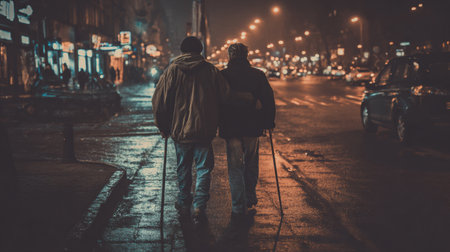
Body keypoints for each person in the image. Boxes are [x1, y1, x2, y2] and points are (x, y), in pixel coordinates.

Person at [152, 36, 230, 226]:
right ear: (200, 50)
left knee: (183, 166)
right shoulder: (211, 71)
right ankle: (199, 206)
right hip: (204, 129)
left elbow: (159, 102)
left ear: (182, 50)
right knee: (204, 168)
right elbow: (225, 97)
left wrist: (163, 126)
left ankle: (184, 200)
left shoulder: (172, 70)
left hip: (180, 130)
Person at [219, 43, 276, 220]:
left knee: (235, 167)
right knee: (251, 163)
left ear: (230, 56)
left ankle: (237, 207)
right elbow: (268, 99)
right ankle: (250, 197)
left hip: (231, 128)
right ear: (246, 55)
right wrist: (268, 122)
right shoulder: (257, 75)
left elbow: (217, 101)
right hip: (252, 127)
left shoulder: (222, 76)